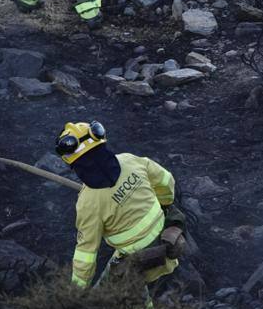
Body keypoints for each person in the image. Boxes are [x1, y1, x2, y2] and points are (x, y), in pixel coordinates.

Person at [55, 121, 184, 291]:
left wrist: (75, 293)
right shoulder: (130, 160)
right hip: (167, 237)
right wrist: (165, 204)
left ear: (72, 162)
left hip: (139, 258)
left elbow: (86, 254)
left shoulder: (87, 204)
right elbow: (166, 181)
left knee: (112, 294)